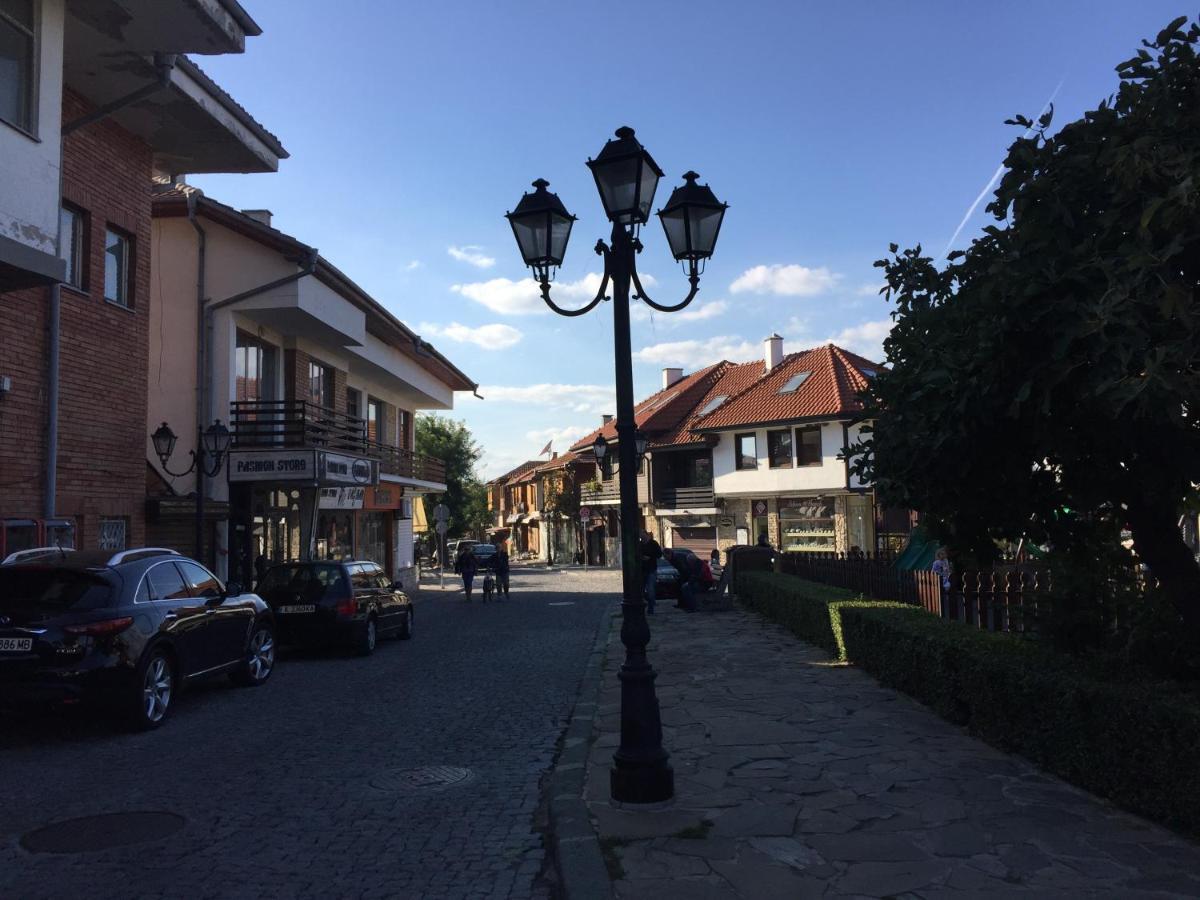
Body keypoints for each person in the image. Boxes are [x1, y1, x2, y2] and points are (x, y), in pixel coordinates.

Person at [639, 529, 662, 615]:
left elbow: (659, 554)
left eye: (641, 535)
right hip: (642, 570)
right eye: (640, 536)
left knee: (650, 589)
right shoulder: (639, 544)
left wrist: (650, 557)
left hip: (651, 569)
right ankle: (645, 605)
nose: (641, 537)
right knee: (640, 590)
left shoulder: (654, 543)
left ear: (646, 534)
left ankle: (651, 608)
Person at [932, 547, 952, 616]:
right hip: (939, 578)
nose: (943, 555)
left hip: (945, 577)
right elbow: (933, 570)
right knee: (940, 587)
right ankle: (941, 597)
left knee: (947, 585)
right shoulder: (936, 562)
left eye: (944, 554)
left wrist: (948, 571)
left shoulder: (946, 560)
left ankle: (945, 595)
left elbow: (947, 569)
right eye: (941, 554)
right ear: (938, 555)